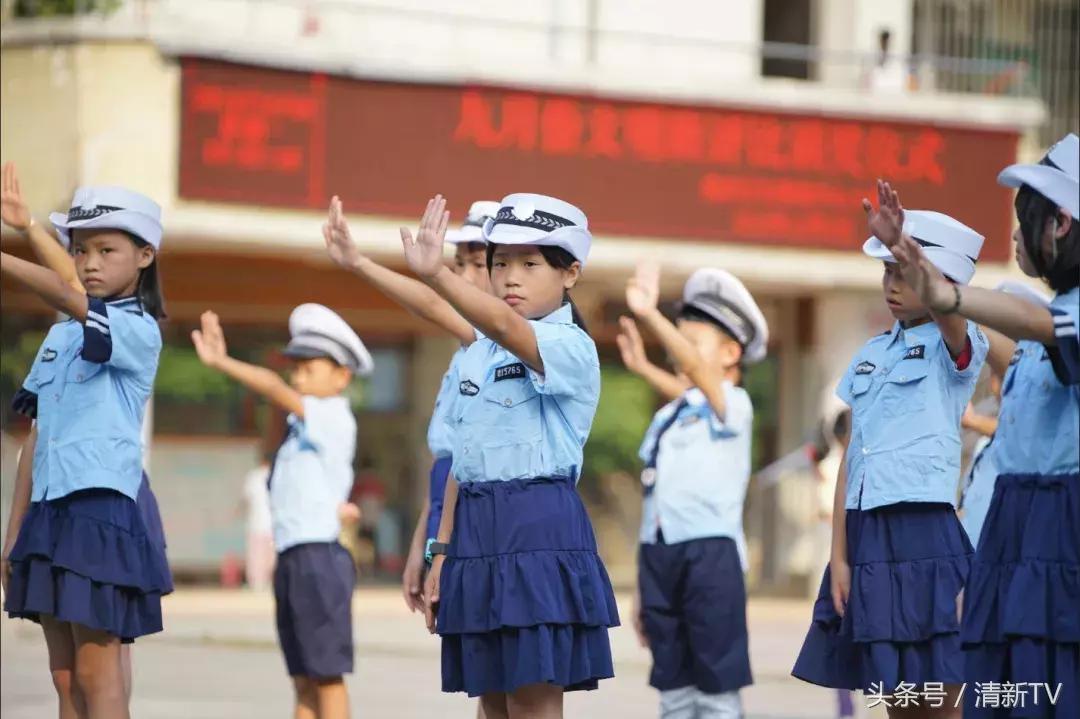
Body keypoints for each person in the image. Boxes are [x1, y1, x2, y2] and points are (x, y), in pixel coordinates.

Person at [877, 137, 1078, 715]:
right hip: (1016, 525)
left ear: (1061, 222)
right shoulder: (1048, 324)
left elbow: (1039, 326)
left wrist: (948, 293)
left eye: (1027, 220)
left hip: (1060, 528)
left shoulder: (1060, 319)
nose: (1017, 236)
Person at [402, 193, 619, 718]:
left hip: (537, 528)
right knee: (491, 702)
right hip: (475, 528)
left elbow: (504, 325)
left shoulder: (569, 345)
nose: (510, 278)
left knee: (530, 703)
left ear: (570, 274)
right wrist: (442, 550)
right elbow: (464, 457)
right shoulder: (479, 354)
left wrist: (437, 276)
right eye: (501, 264)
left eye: (529, 264)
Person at [791, 184, 989, 718]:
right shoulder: (870, 354)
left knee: (945, 698)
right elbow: (853, 457)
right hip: (869, 539)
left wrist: (911, 255)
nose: (891, 285)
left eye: (902, 273)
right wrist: (839, 557)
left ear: (944, 282)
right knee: (898, 700)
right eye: (886, 272)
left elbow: (952, 319)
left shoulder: (958, 347)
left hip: (926, 535)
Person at [1, 181, 170, 719]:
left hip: (99, 510)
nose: (89, 262)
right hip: (48, 515)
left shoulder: (136, 329)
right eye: (80, 248)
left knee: (100, 674)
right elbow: (38, 438)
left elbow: (68, 291)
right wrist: (14, 533)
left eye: (106, 250)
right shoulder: (62, 337)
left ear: (145, 256)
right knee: (64, 676)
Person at [192, 303, 372, 719]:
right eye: (296, 368)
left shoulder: (332, 416)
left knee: (326, 674)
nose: (299, 376)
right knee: (303, 676)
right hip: (294, 556)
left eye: (310, 367)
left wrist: (223, 362)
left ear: (342, 375)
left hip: (319, 558)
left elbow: (273, 388)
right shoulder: (297, 430)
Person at [322, 196, 497, 610]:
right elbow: (443, 468)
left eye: (479, 264)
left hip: (480, 518)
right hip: (446, 516)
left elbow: (434, 303)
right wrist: (421, 546)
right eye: (459, 265)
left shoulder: (500, 345)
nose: (465, 276)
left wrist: (360, 263)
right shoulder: (461, 358)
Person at [620, 264, 767, 719]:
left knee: (715, 688)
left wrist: (650, 315)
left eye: (692, 345)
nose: (680, 356)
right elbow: (654, 497)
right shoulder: (673, 414)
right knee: (674, 686)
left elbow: (701, 381)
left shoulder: (734, 406)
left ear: (730, 352)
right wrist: (644, 584)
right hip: (661, 555)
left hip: (709, 556)